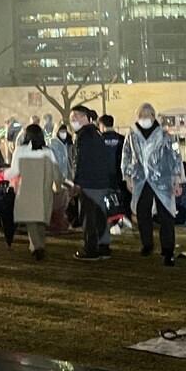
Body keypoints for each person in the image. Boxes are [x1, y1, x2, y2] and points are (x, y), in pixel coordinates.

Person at [122, 103, 184, 266]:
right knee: (142, 213)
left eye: (148, 114)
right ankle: (147, 243)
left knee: (167, 216)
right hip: (141, 180)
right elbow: (126, 155)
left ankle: (168, 249)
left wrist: (177, 178)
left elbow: (176, 156)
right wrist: (127, 176)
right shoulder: (132, 135)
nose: (145, 118)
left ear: (154, 116)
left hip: (162, 180)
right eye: (142, 115)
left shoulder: (166, 136)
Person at [7, 124, 60, 260]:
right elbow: (56, 172)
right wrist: (59, 186)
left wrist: (2, 175)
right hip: (44, 189)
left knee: (31, 220)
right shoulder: (48, 152)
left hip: (27, 189)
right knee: (41, 220)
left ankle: (37, 246)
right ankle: (39, 244)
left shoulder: (20, 151)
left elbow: (14, 171)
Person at [71, 105, 117, 262]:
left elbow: (80, 161)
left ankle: (91, 248)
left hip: (88, 183)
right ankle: (103, 246)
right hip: (101, 181)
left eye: (76, 116)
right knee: (100, 215)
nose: (73, 120)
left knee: (88, 217)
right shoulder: (97, 134)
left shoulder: (83, 136)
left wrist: (77, 182)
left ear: (85, 117)